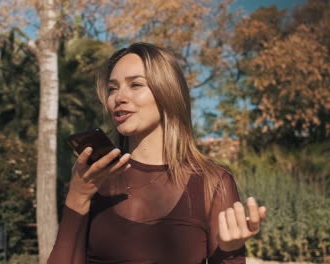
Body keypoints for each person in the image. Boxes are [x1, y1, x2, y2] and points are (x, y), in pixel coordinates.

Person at [47, 42, 266, 264]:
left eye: (135, 84)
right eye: (113, 88)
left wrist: (228, 250)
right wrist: (78, 195)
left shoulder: (212, 182)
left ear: (167, 93)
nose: (118, 97)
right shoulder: (95, 176)